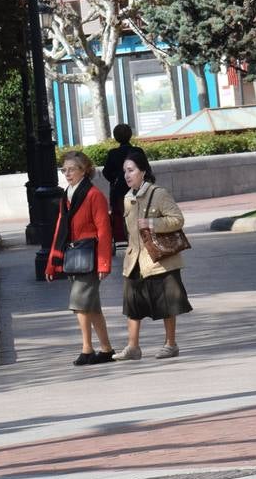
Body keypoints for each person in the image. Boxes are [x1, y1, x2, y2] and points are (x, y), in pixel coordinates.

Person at [113, 148, 192, 360]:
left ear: (143, 172)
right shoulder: (127, 198)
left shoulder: (159, 194)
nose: (127, 175)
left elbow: (177, 220)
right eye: (125, 171)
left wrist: (152, 223)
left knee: (166, 302)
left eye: (131, 170)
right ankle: (133, 347)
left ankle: (171, 344)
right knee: (132, 303)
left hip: (159, 258)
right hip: (134, 258)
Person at [46, 150, 116, 365]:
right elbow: (60, 228)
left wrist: (104, 263)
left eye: (71, 169)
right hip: (73, 256)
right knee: (92, 307)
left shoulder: (94, 195)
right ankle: (106, 349)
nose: (66, 173)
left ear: (84, 170)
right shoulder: (67, 195)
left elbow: (104, 231)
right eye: (64, 169)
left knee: (79, 303)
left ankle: (87, 349)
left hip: (89, 257)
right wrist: (52, 263)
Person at [102, 123, 139, 244]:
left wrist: (115, 179)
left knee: (125, 215)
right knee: (138, 213)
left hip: (120, 190)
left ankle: (129, 238)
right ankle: (137, 239)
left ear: (116, 137)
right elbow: (146, 169)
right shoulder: (137, 151)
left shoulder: (113, 153)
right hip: (137, 187)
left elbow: (106, 172)